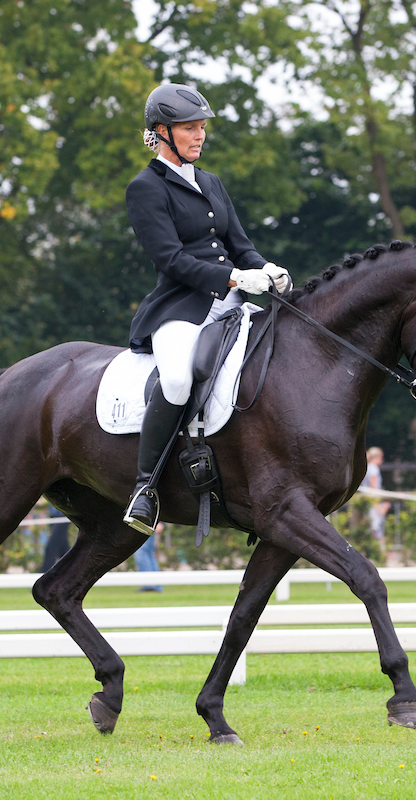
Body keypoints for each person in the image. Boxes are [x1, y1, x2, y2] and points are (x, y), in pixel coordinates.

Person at [122, 83, 291, 535]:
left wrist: (266, 269)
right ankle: (146, 488)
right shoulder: (145, 188)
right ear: (161, 132)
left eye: (201, 128)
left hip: (234, 305)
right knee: (177, 378)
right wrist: (235, 278)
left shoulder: (211, 182)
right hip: (181, 308)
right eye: (189, 129)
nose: (199, 136)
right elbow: (170, 260)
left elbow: (240, 245)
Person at [362, 447, 391, 540]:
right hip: (373, 502)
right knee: (376, 529)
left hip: (366, 500)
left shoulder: (366, 467)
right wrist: (380, 507)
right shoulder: (374, 469)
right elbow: (373, 488)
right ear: (376, 457)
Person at [133, 522, 164, 592]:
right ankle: (155, 585)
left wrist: (160, 522)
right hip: (148, 522)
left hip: (146, 523)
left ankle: (149, 586)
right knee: (148, 553)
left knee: (142, 551)